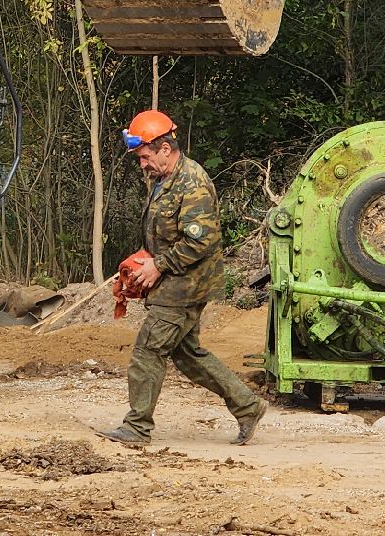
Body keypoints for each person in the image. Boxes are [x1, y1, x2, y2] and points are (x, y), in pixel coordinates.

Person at [99, 109, 266, 446]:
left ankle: (137, 427)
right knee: (188, 355)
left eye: (145, 157)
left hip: (184, 284)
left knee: (149, 350)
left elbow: (200, 240)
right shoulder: (164, 179)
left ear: (165, 148)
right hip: (178, 279)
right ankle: (248, 406)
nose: (142, 164)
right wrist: (146, 260)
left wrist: (159, 266)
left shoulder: (192, 183)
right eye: (139, 158)